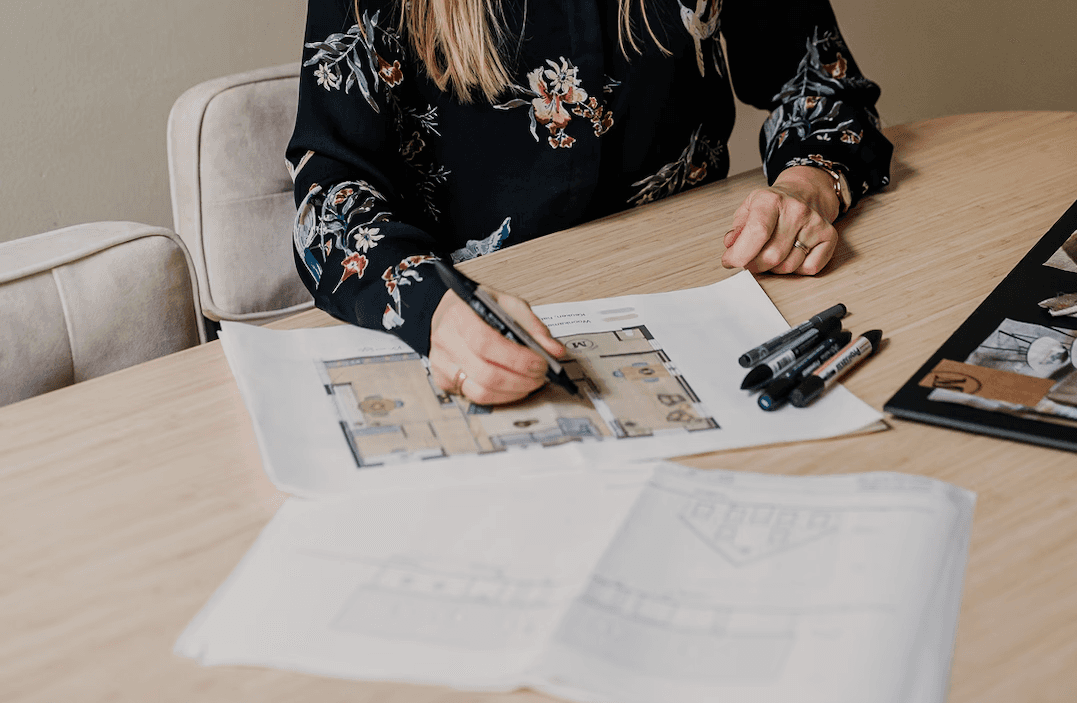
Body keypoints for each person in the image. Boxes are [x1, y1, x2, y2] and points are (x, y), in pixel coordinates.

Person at [287, 0, 892, 405]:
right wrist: (432, 306)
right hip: (491, 336)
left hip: (717, 301)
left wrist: (807, 183)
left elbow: (819, 78)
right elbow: (331, 190)